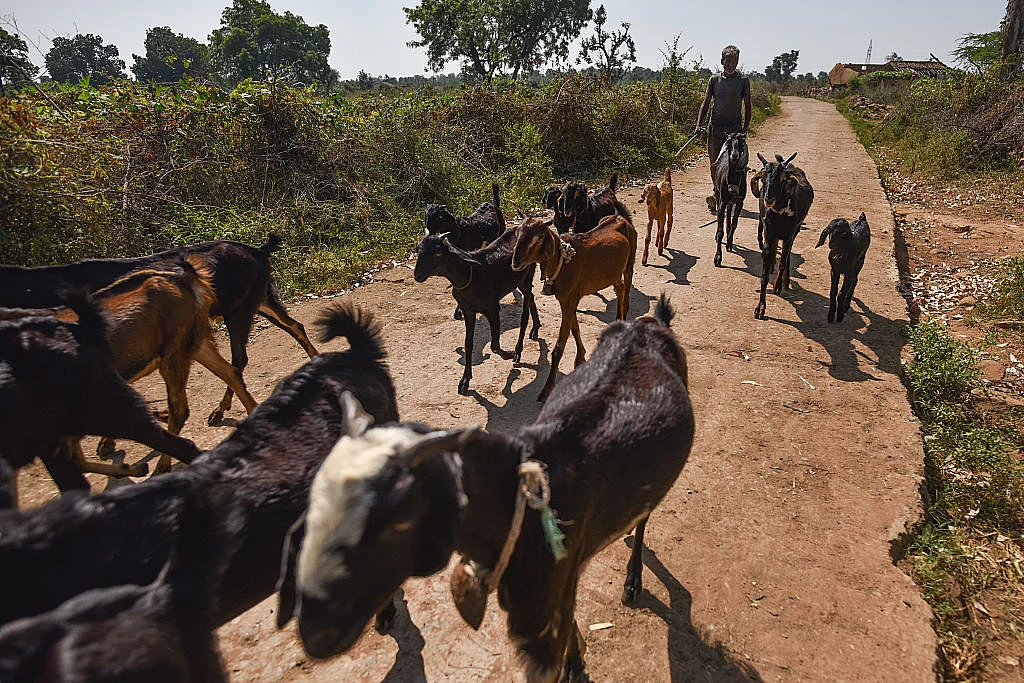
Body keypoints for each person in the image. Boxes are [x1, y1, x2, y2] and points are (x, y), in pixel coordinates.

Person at [695, 45, 751, 214]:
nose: (730, 64)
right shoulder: (714, 80)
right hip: (716, 128)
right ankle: (717, 192)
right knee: (715, 164)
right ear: (722, 61)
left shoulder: (743, 81)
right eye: (727, 61)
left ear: (737, 62)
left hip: (734, 131)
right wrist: (699, 124)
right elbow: (706, 103)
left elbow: (747, 106)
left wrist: (745, 130)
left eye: (733, 61)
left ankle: (732, 193)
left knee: (734, 163)